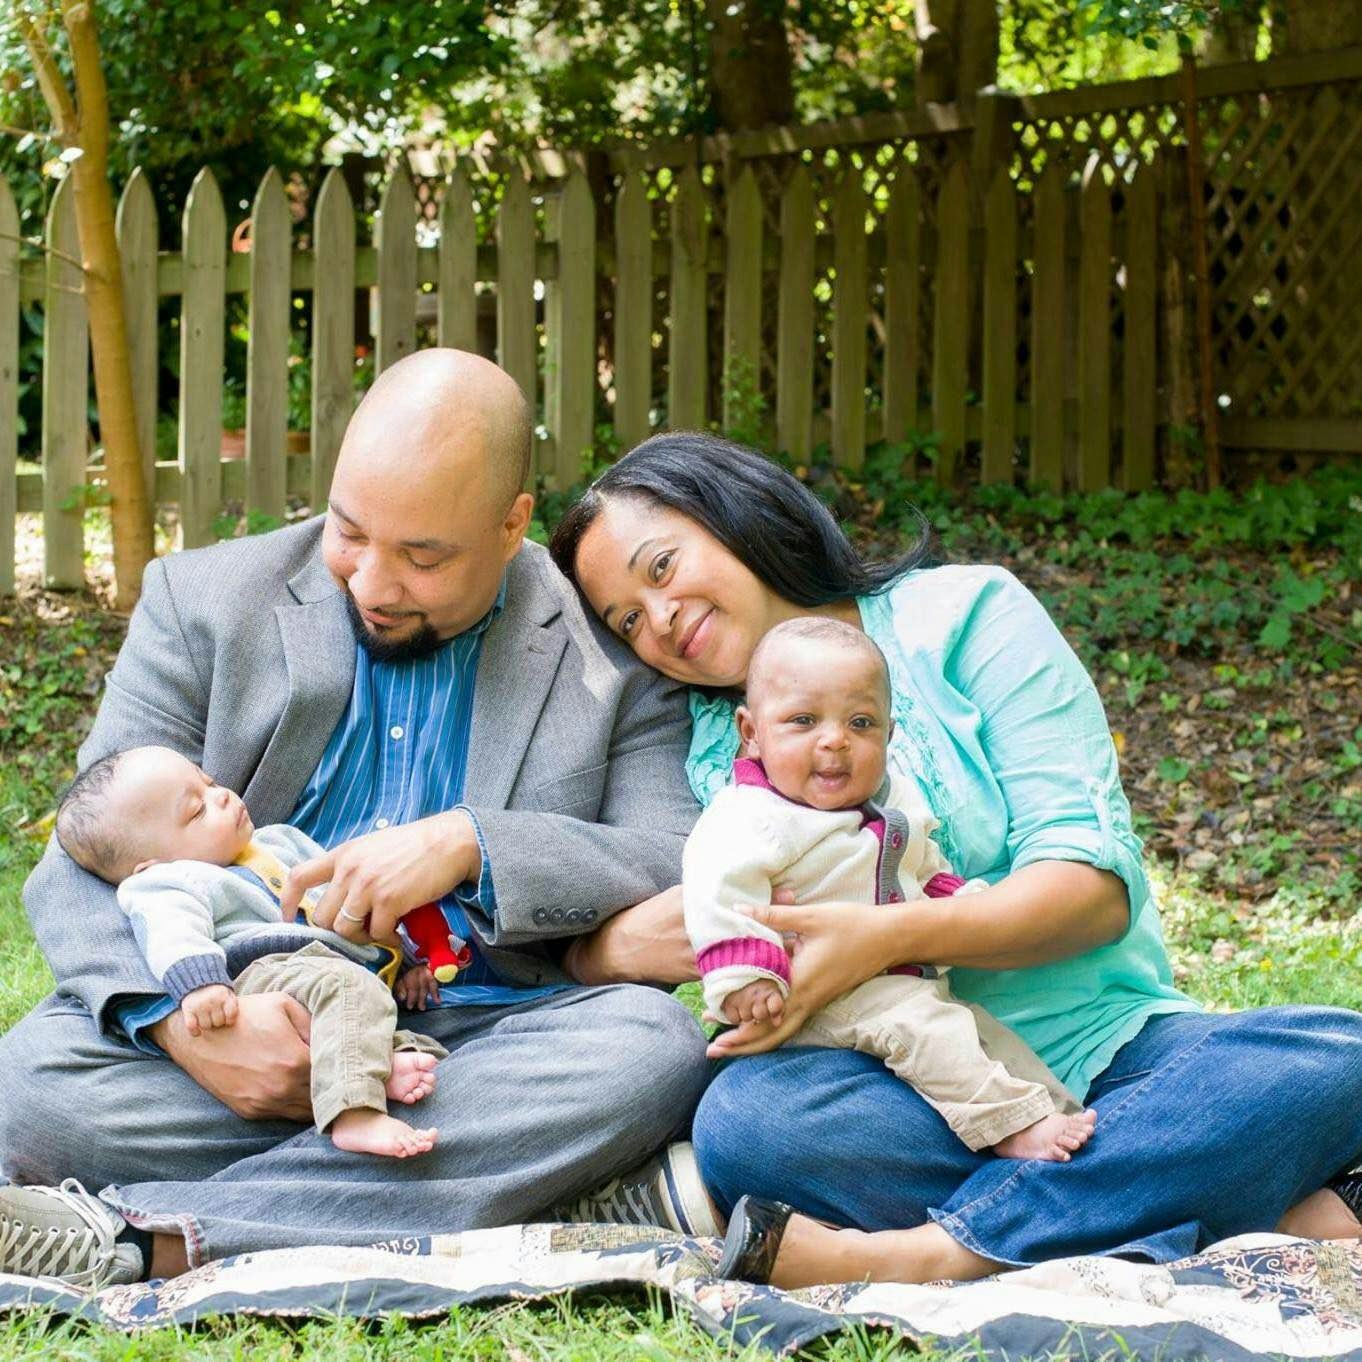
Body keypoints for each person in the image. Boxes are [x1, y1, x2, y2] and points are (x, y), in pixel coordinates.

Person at [550, 429, 1362, 1290]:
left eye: (663, 567)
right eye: (627, 620)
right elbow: (664, 922)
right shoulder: (709, 740)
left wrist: (878, 934)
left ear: (734, 513)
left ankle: (941, 1251)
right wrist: (592, 950)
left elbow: (1090, 892)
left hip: (1117, 1054)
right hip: (909, 1092)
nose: (661, 620)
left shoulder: (966, 615)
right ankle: (1223, 1192)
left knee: (1332, 1056)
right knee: (752, 1124)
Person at [0, 350, 715, 1294]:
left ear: (510, 524)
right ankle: (514, 1189)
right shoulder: (200, 603)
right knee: (26, 1096)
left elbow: (669, 856)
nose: (372, 583)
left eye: (423, 556)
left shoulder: (611, 649)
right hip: (243, 1021)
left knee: (650, 1053)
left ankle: (155, 1239)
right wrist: (185, 1027)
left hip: (476, 1042)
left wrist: (468, 841)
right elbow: (78, 857)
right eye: (349, 532)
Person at [686, 618, 1095, 1163]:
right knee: (930, 1035)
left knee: (981, 1034)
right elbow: (718, 894)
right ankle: (1010, 1129)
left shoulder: (894, 799)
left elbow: (924, 870)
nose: (834, 739)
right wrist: (746, 976)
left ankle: (1060, 1115)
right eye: (803, 721)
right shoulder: (749, 816)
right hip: (825, 993)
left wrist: (958, 904)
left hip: (898, 978)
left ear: (889, 735)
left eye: (860, 723)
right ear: (752, 732)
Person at [56, 744, 452, 1159]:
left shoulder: (280, 842)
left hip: (327, 969)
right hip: (264, 973)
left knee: (413, 1046)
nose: (222, 796)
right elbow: (172, 929)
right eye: (196, 811)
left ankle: (377, 1068)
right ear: (152, 863)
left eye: (209, 784)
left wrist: (407, 960)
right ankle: (355, 1114)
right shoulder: (171, 882)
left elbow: (352, 902)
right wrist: (201, 985)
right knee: (350, 989)